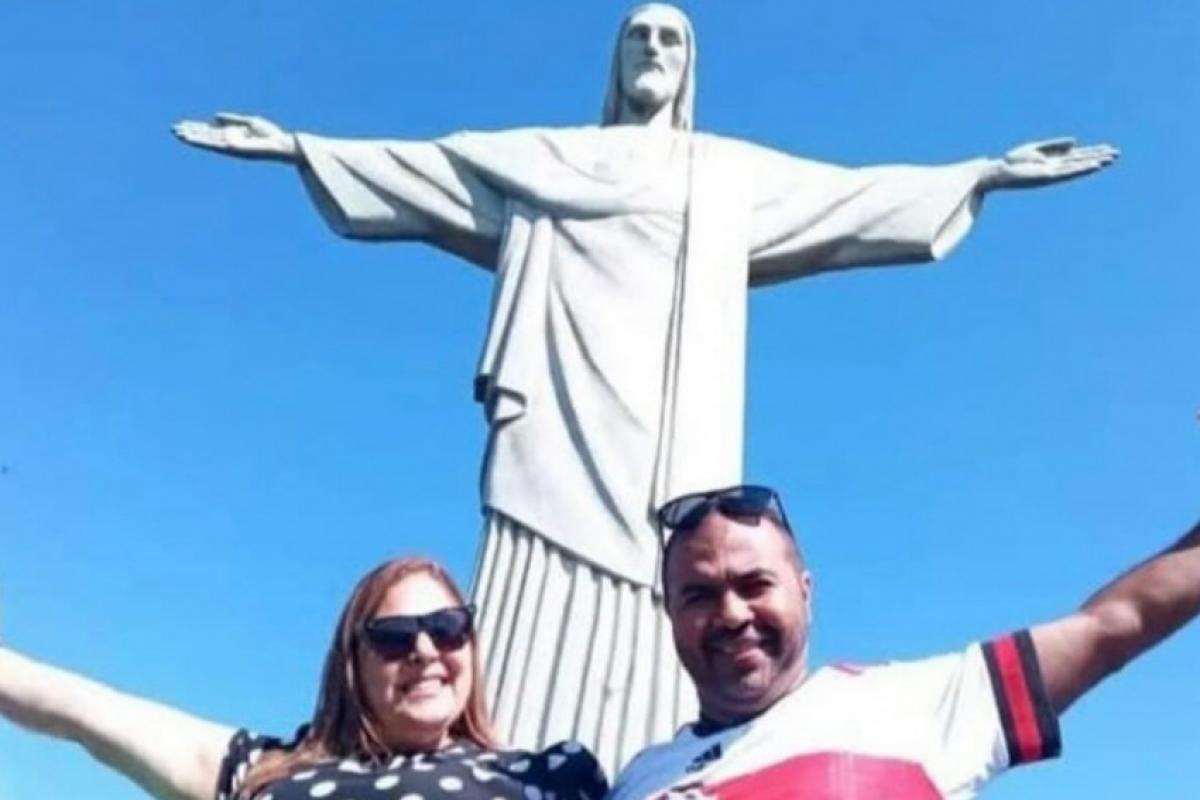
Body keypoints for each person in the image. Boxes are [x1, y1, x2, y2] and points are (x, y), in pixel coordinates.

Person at [171, 3, 1117, 768]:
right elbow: (429, 168)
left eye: (671, 38)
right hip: (554, 428)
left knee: (684, 585)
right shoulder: (545, 159)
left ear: (689, 64)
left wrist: (982, 174)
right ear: (616, 61)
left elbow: (852, 196)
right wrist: (300, 147)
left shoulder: (725, 173)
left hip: (675, 443)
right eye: (639, 38)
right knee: (533, 595)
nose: (654, 51)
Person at [610, 485, 1200, 798]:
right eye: (700, 595)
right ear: (671, 613)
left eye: (755, 585)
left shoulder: (916, 705)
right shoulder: (639, 779)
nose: (732, 613)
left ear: (805, 592)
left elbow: (1113, 625)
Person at [0, 557, 607, 800]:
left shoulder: (550, 776)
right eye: (394, 637)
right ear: (353, 663)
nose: (424, 650)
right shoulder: (263, 769)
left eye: (447, 627)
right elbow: (81, 710)